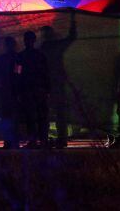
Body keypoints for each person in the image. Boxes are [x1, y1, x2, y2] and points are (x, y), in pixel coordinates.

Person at [39, 11, 77, 148]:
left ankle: (52, 138)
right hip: (50, 83)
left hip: (50, 83)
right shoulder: (48, 47)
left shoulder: (45, 48)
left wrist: (73, 20)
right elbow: (72, 37)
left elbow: (71, 37)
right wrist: (73, 19)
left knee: (51, 112)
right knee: (54, 112)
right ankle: (57, 138)